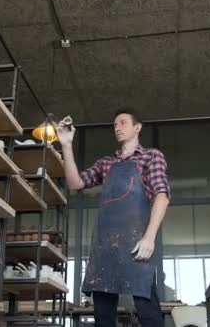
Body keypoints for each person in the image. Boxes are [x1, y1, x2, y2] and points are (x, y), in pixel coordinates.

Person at [58, 108, 171, 327]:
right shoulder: (106, 164)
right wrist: (66, 144)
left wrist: (149, 238)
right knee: (103, 318)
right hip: (104, 249)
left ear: (137, 128)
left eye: (122, 123)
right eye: (115, 125)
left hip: (136, 243)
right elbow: (75, 184)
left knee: (149, 314)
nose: (117, 128)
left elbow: (162, 196)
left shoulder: (151, 156)